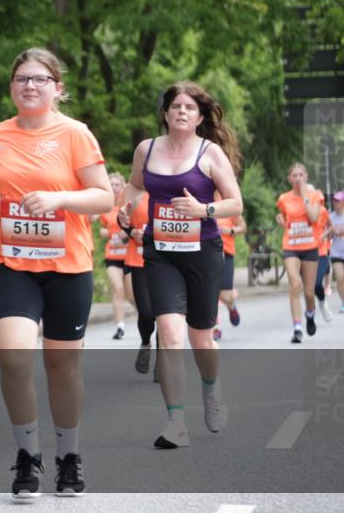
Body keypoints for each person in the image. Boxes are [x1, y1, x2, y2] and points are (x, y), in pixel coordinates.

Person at [0, 48, 113, 498]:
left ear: (57, 87)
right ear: (12, 87)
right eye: (21, 79)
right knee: (14, 357)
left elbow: (103, 197)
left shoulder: (75, 134)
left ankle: (69, 458)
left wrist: (58, 201)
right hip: (15, 263)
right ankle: (27, 457)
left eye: (38, 79)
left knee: (61, 366)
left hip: (67, 266)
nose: (29, 86)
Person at [119, 81, 242, 449]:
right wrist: (128, 205)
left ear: (200, 116)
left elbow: (235, 203)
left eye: (190, 107)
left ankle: (211, 388)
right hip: (161, 253)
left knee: (200, 338)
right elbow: (135, 185)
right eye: (176, 106)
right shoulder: (147, 149)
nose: (182, 112)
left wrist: (203, 209)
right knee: (169, 335)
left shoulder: (210, 153)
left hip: (203, 251)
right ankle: (176, 423)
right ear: (166, 113)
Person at [276, 163, 322, 341]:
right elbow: (284, 216)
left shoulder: (315, 195)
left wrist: (304, 196)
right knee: (295, 284)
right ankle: (297, 328)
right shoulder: (283, 198)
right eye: (294, 175)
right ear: (289, 178)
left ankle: (310, 314)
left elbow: (313, 217)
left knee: (309, 293)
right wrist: (281, 220)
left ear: (306, 176)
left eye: (300, 175)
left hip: (310, 247)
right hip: (291, 247)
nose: (297, 178)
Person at [121, 193, 155, 378]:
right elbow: (122, 221)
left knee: (164, 313)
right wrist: (132, 232)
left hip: (168, 262)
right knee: (146, 313)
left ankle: (163, 362)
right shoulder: (136, 192)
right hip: (139, 260)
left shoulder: (176, 187)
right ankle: (145, 342)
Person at [98, 172, 131, 340]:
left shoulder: (129, 205)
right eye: (111, 185)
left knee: (132, 295)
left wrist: (127, 233)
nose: (114, 188)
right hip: (112, 255)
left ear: (123, 186)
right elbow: (101, 230)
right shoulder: (105, 208)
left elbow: (138, 226)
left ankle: (147, 319)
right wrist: (112, 234)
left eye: (117, 184)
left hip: (130, 256)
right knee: (117, 289)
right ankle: (120, 326)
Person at [213, 202, 246, 340]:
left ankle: (231, 306)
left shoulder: (228, 202)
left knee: (225, 295)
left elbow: (243, 227)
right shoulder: (202, 199)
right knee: (210, 292)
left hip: (226, 252)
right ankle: (214, 327)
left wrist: (230, 230)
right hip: (208, 253)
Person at [315, 204, 334, 322]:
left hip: (321, 252)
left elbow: (331, 228)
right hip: (304, 252)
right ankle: (310, 313)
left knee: (316, 283)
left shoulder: (322, 210)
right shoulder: (296, 208)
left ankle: (322, 303)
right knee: (308, 286)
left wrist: (325, 235)